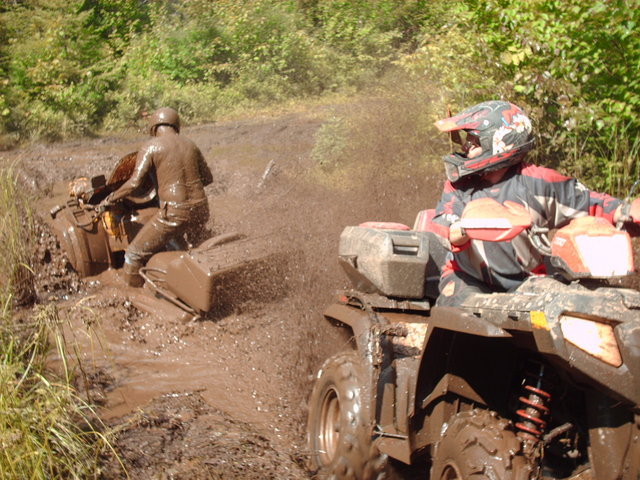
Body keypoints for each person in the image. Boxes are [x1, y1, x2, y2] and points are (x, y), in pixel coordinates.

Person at [431, 100, 625, 306]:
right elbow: (444, 229)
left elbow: (593, 204)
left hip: (527, 282)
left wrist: (626, 211)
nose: (465, 146)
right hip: (466, 278)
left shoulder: (538, 181)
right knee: (465, 307)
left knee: (564, 306)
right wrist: (470, 226)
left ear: (500, 143)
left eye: (474, 141)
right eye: (467, 140)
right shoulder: (459, 185)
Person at [101, 107, 213, 287]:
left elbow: (135, 183)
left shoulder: (151, 146)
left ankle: (132, 295)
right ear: (176, 126)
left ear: (153, 128)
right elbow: (208, 179)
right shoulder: (191, 144)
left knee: (134, 254)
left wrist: (110, 199)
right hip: (201, 209)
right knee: (194, 247)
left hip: (174, 213)